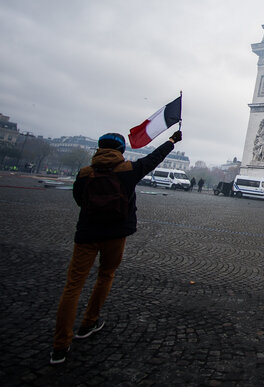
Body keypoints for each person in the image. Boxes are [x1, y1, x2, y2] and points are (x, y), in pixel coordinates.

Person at [50, 130, 183, 365]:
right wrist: (172, 141)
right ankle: (89, 322)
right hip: (115, 234)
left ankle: (60, 346)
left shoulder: (84, 173)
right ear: (121, 150)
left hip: (87, 234)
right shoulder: (128, 171)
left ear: (99, 148)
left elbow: (80, 200)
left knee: (72, 286)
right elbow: (154, 159)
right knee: (106, 275)